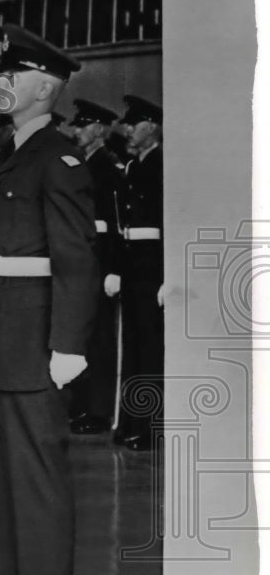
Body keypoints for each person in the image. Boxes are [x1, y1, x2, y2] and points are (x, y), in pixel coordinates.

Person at [0, 24, 97, 575]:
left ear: (43, 87)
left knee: (37, 481)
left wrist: (68, 345)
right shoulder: (10, 152)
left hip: (34, 346)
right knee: (10, 482)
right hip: (0, 341)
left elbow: (75, 255)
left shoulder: (58, 157)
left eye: (10, 75)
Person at [112, 95, 163, 452]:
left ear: (153, 126)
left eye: (136, 123)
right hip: (133, 266)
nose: (128, 130)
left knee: (151, 351)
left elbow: (170, 222)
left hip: (152, 269)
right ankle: (132, 422)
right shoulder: (132, 167)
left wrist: (166, 276)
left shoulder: (162, 165)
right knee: (133, 348)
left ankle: (152, 427)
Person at [68, 99, 122, 435]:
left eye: (83, 125)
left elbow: (116, 224)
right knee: (83, 336)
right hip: (83, 261)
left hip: (101, 261)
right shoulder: (81, 164)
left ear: (99, 130)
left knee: (101, 338)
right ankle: (82, 405)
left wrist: (114, 268)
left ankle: (99, 410)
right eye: (77, 125)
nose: (77, 131)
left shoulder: (107, 165)